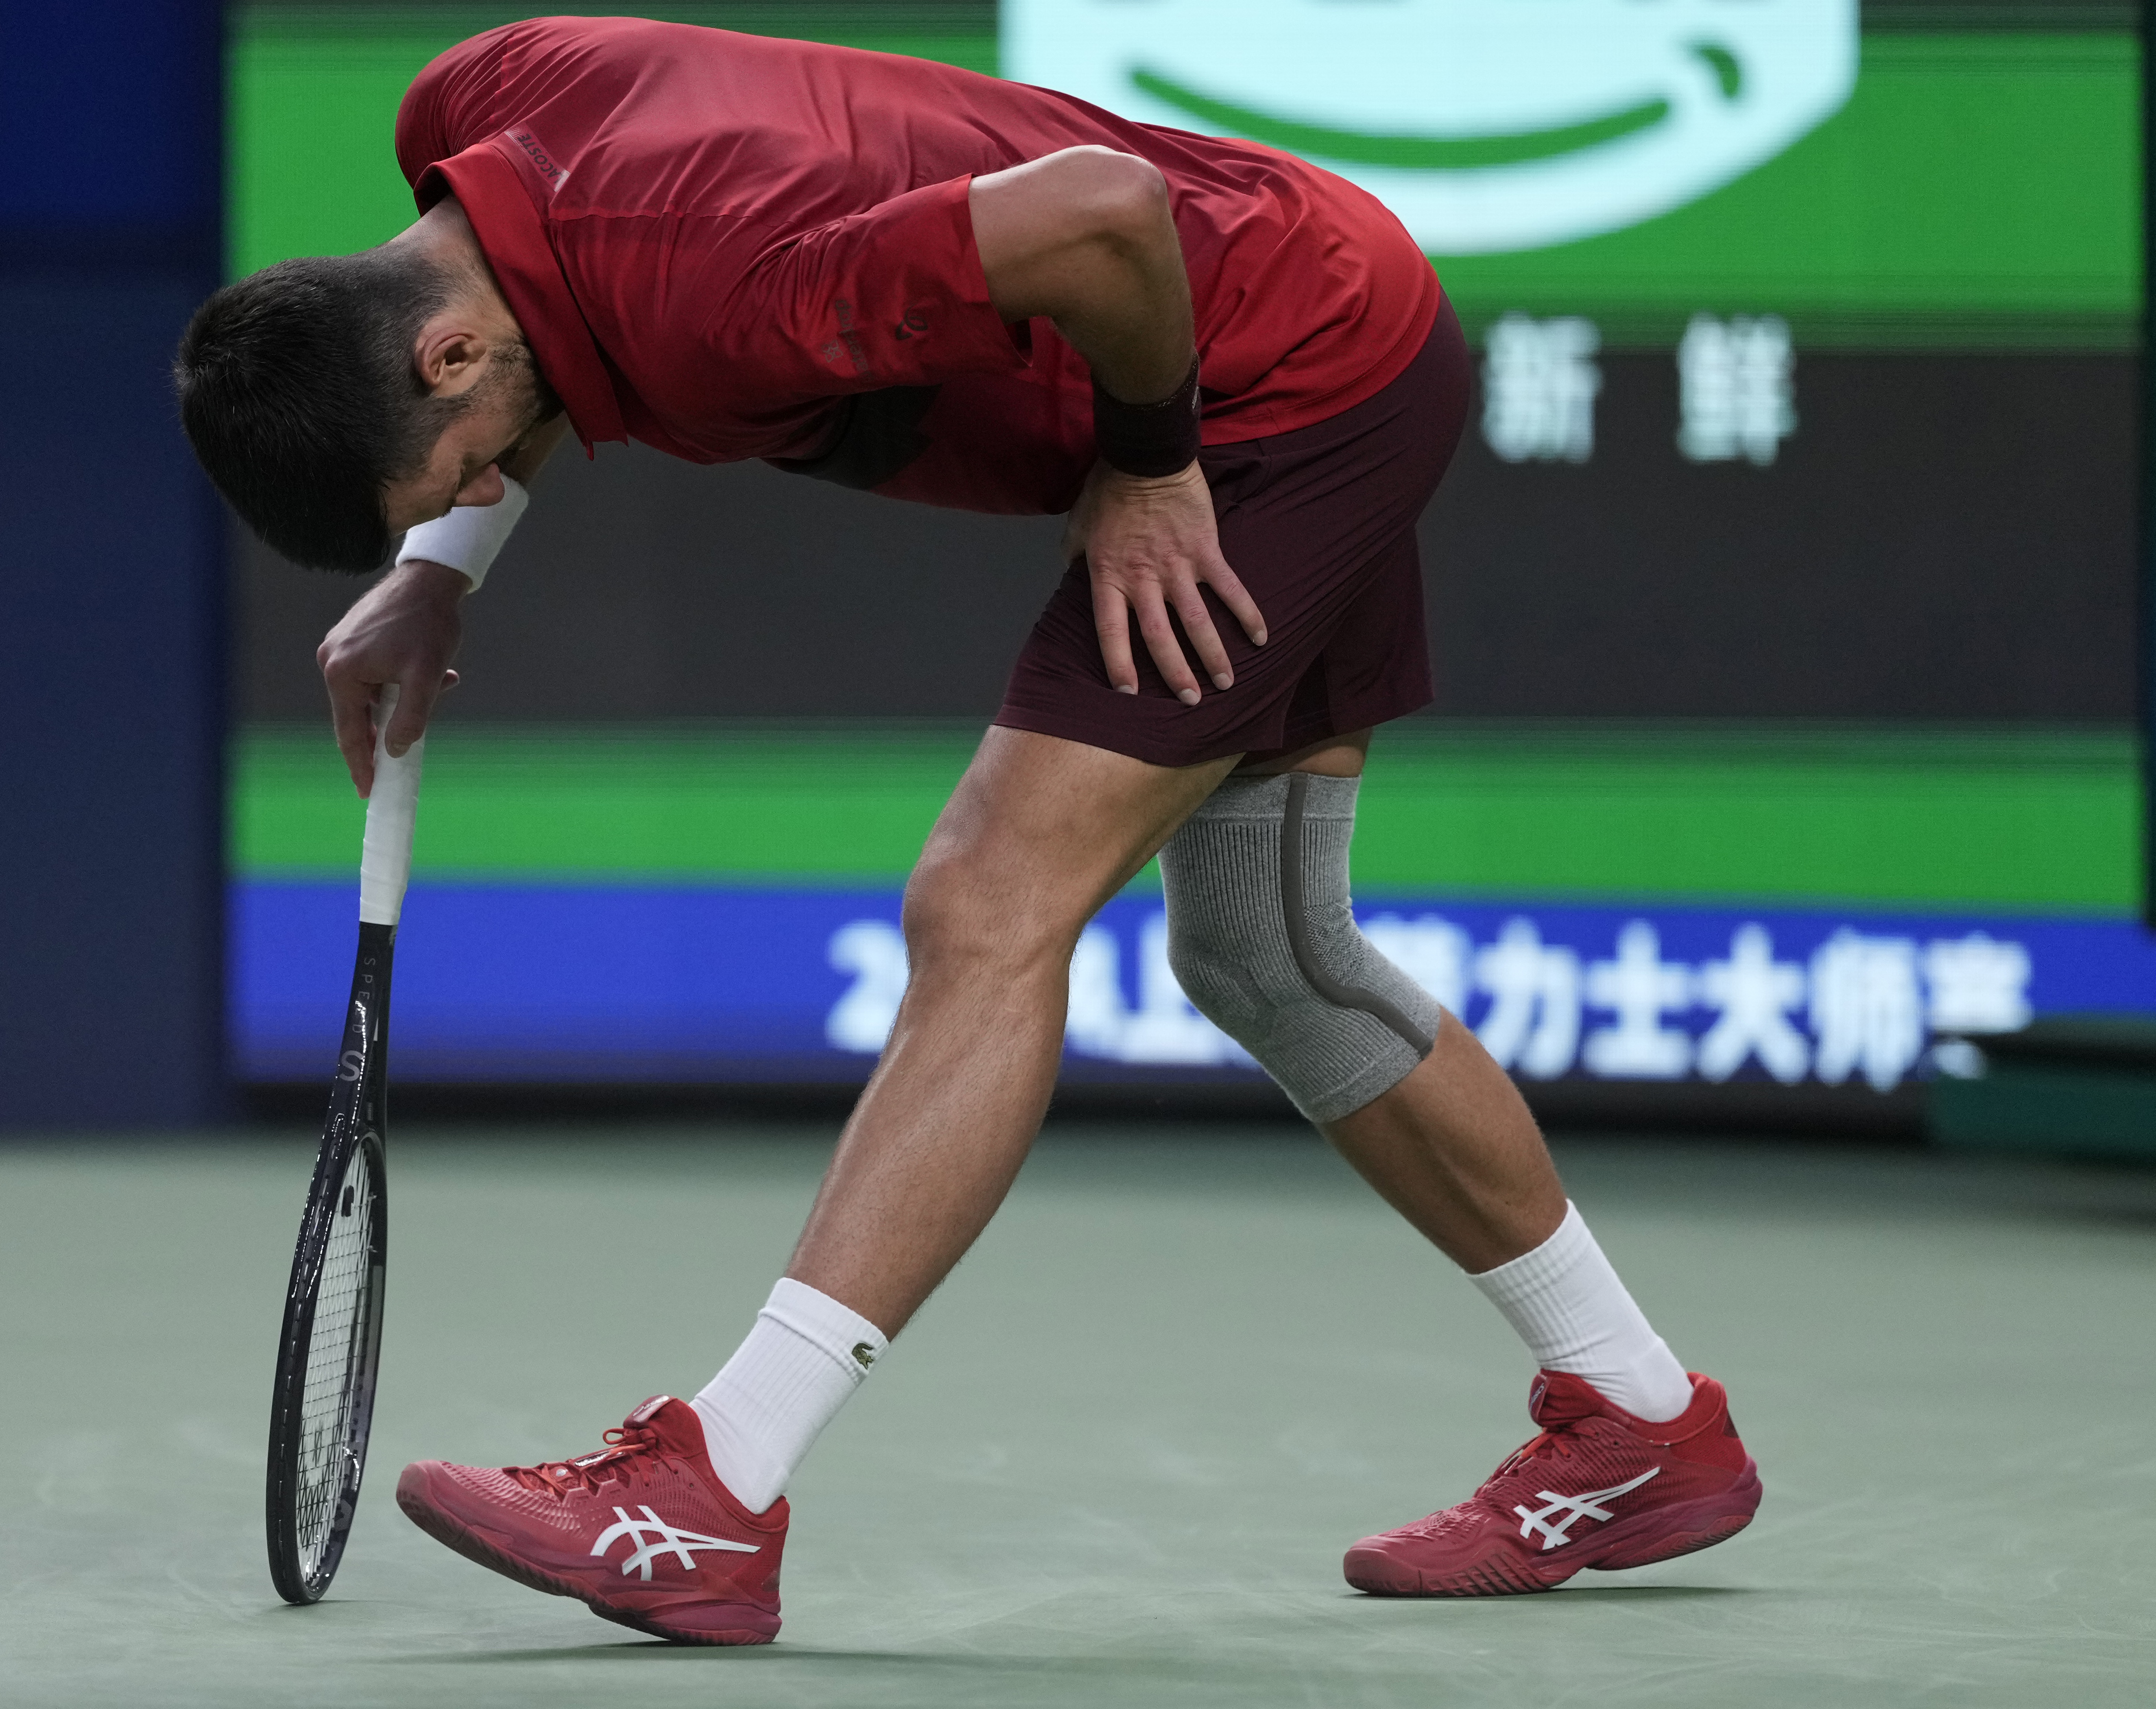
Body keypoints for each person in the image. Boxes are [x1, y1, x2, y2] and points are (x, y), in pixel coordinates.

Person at [175, 16, 1760, 1646]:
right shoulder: (475, 104)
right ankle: (1642, 1423)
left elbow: (1102, 212)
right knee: (1267, 950)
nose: (473, 484)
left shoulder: (724, 293)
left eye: (447, 477)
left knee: (988, 905)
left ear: (440, 355)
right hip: (1317, 285)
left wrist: (1153, 464)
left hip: (1277, 382)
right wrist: (439, 577)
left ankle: (713, 1489)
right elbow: (556, 324)